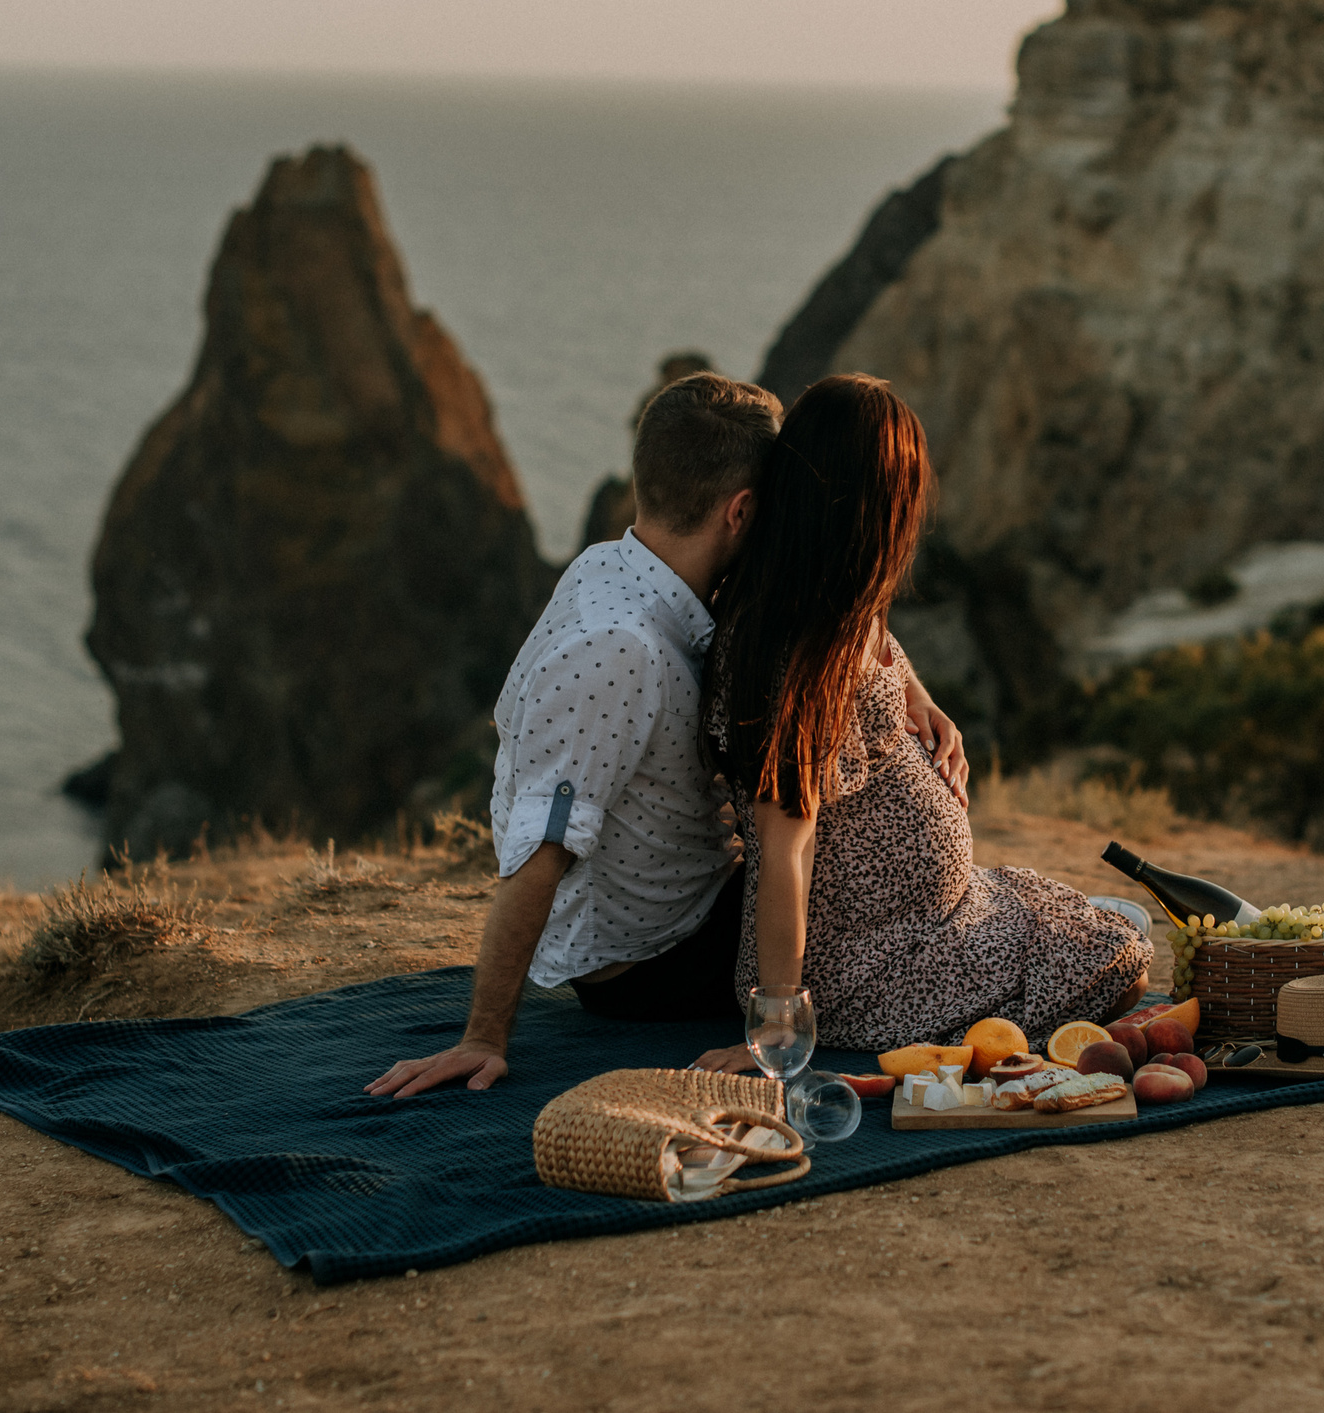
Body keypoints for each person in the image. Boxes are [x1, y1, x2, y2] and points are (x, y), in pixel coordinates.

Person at [365, 371, 966, 1097]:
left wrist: (911, 689)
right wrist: (483, 1036)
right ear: (742, 513)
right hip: (657, 958)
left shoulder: (630, 566)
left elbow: (834, 605)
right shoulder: (617, 651)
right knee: (873, 927)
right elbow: (542, 847)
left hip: (697, 905)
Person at [693, 375, 1147, 1069]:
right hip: (867, 967)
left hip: (924, 922)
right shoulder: (794, 655)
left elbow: (883, 645)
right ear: (874, 509)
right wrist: (780, 1024)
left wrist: (921, 700)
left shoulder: (833, 593)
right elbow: (785, 845)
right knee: (1122, 964)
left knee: (1108, 929)